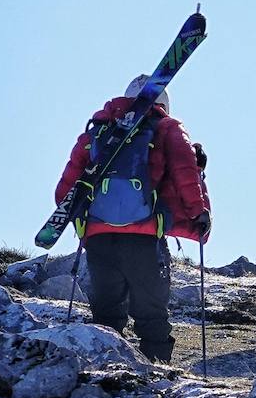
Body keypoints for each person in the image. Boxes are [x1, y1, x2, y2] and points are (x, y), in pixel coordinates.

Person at [55, 76, 210, 363]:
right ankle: (157, 370)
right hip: (144, 238)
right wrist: (198, 211)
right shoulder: (167, 128)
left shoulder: (97, 133)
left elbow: (65, 192)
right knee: (151, 310)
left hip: (99, 238)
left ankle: (104, 369)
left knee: (106, 312)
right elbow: (184, 171)